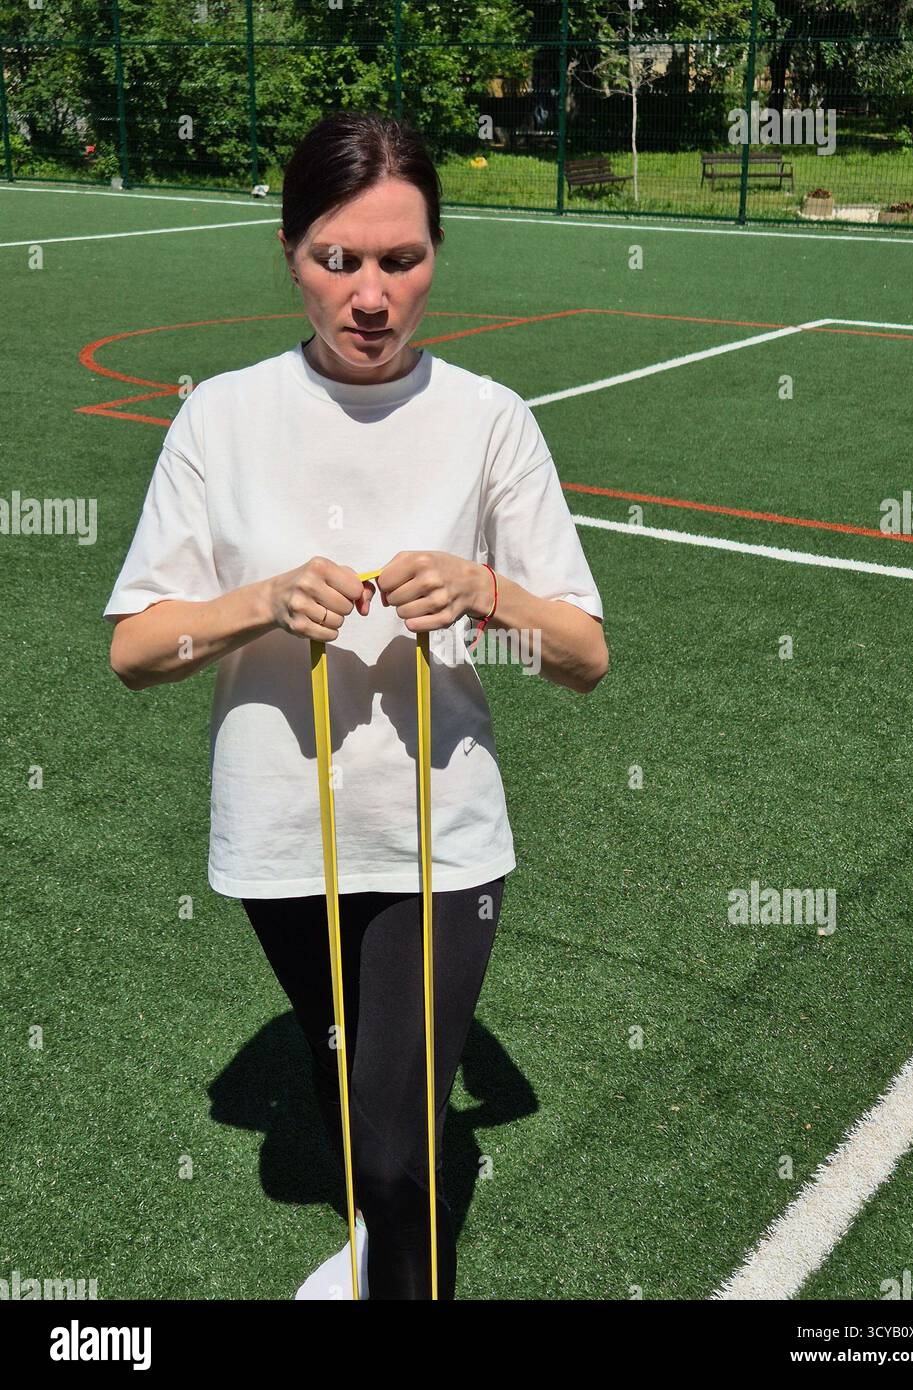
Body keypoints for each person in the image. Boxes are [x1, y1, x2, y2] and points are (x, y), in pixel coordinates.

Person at [102, 110, 608, 1300]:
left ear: (438, 255)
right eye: (340, 261)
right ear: (289, 254)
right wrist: (260, 602)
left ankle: (393, 1252)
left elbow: (583, 655)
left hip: (443, 841)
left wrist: (488, 590)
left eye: (402, 259)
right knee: (361, 1081)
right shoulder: (220, 418)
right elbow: (137, 649)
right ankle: (389, 1218)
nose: (372, 295)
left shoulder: (490, 420)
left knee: (387, 1144)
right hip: (281, 839)